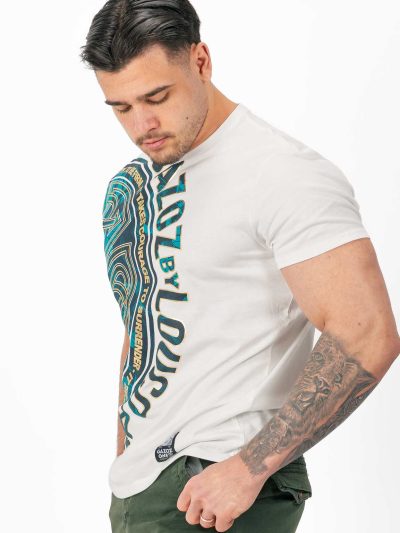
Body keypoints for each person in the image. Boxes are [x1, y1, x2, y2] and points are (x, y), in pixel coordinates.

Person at [80, 1, 400, 531]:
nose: (142, 125)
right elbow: (141, 327)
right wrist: (126, 465)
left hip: (220, 486)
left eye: (157, 97)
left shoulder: (282, 174)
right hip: (141, 488)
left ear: (201, 61)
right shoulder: (135, 184)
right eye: (121, 107)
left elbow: (367, 333)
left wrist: (249, 468)